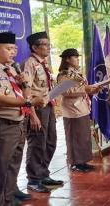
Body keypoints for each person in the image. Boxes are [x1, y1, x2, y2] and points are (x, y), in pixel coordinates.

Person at [0, 32, 47, 206]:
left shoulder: (12, 69)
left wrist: (25, 84)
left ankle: (8, 200)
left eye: (14, 48)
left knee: (12, 167)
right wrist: (28, 101)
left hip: (17, 124)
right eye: (9, 48)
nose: (13, 52)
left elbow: (23, 94)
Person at [22, 31, 63, 193]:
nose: (48, 47)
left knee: (50, 141)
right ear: (34, 47)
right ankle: (33, 179)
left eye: (48, 44)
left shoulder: (44, 63)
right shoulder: (29, 64)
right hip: (37, 109)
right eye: (45, 45)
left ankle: (43, 174)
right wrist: (31, 114)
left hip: (48, 106)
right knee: (37, 142)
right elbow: (27, 90)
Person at [57, 48, 100, 172]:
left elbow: (82, 89)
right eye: (75, 57)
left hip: (82, 107)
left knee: (83, 136)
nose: (77, 59)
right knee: (74, 137)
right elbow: (66, 91)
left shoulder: (77, 73)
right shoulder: (64, 75)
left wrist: (93, 89)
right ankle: (75, 162)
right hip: (72, 110)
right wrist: (86, 89)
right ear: (68, 60)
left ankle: (83, 161)